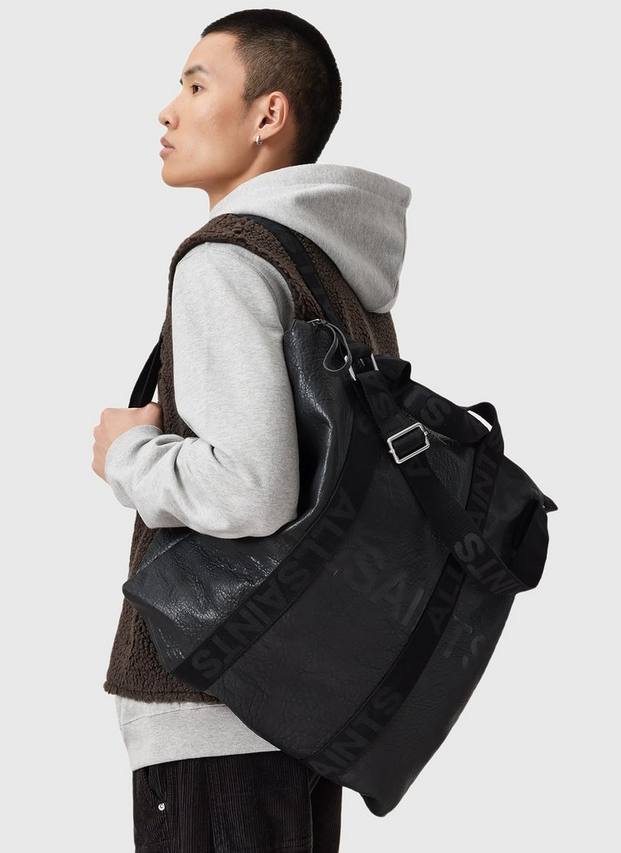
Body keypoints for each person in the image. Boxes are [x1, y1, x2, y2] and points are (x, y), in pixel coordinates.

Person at [92, 9, 411, 852]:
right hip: (306, 693)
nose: (169, 109)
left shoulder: (225, 261)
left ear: (268, 114)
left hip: (214, 697)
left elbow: (252, 488)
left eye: (197, 85)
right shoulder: (335, 268)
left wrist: (126, 453)